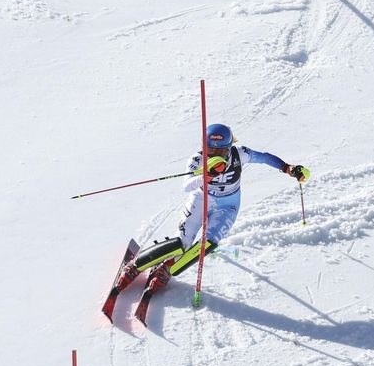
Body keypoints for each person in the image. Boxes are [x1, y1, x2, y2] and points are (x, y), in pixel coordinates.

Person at [115, 123, 309, 295]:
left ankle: (167, 270)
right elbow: (186, 186)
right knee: (181, 243)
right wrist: (205, 177)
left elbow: (264, 157)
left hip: (228, 205)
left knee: (207, 244)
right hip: (201, 199)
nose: (215, 156)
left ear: (229, 148)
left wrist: (287, 168)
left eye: (220, 152)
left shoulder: (239, 153)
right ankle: (134, 266)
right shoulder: (197, 159)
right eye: (210, 151)